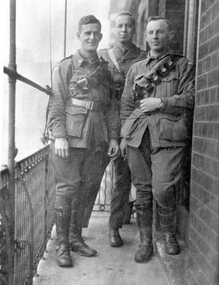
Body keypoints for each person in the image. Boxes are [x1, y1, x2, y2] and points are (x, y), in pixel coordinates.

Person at [120, 16, 195, 263]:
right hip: (138, 137)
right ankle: (145, 242)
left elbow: (192, 97)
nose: (155, 36)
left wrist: (161, 102)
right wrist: (123, 135)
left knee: (162, 189)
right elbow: (126, 105)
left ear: (168, 35)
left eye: (160, 32)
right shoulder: (136, 70)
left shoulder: (182, 66)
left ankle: (168, 234)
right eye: (151, 32)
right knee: (141, 191)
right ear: (146, 36)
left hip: (168, 136)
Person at [48, 15, 119, 267]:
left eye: (96, 33)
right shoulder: (66, 66)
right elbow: (56, 100)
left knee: (89, 187)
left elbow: (111, 107)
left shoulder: (105, 70)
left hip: (97, 138)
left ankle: (76, 238)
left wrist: (113, 136)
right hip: (70, 136)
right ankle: (62, 244)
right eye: (86, 33)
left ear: (100, 37)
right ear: (79, 36)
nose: (91, 37)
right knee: (67, 189)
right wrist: (59, 135)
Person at [98, 12, 147, 247]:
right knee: (97, 176)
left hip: (133, 121)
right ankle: (114, 222)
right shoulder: (102, 57)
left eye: (128, 26)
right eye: (120, 26)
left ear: (134, 30)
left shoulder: (144, 57)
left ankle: (114, 226)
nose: (124, 30)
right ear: (113, 30)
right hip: (105, 122)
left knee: (125, 175)